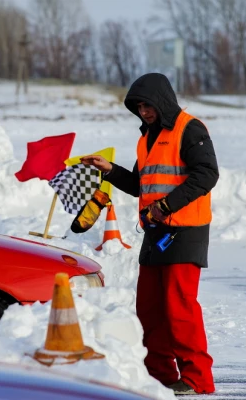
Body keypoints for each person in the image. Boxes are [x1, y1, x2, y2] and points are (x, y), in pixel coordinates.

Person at [81, 73, 218, 395]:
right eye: (139, 106)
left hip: (186, 232)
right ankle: (160, 375)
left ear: (163, 101)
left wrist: (167, 206)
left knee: (179, 308)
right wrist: (110, 170)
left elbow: (207, 174)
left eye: (148, 105)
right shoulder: (147, 139)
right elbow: (141, 186)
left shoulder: (190, 128)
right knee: (150, 308)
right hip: (155, 232)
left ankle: (198, 379)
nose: (144, 111)